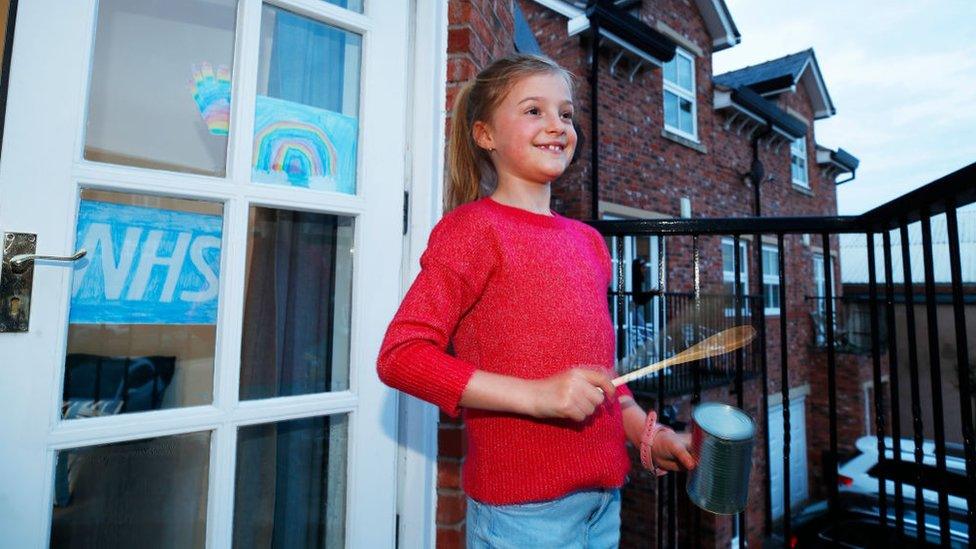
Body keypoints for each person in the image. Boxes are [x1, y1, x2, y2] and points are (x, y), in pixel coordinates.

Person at [377, 53, 695, 548]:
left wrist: (647, 435)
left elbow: (604, 380)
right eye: (533, 111)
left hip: (605, 503)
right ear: (485, 135)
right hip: (524, 519)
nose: (557, 126)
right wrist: (536, 396)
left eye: (565, 114)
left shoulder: (588, 242)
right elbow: (402, 357)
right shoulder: (473, 231)